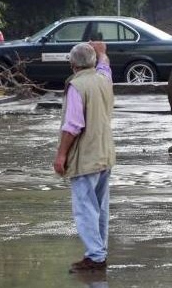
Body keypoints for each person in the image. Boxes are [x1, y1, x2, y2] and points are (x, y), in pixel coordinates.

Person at [53, 41, 115, 273]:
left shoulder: (77, 86)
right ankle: (99, 252)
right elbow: (105, 66)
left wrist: (61, 155)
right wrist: (102, 53)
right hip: (105, 154)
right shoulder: (103, 79)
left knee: (85, 207)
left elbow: (73, 126)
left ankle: (96, 257)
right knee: (100, 207)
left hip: (86, 158)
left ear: (72, 64)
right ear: (93, 62)